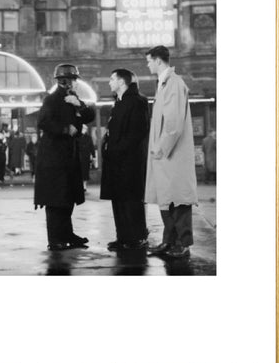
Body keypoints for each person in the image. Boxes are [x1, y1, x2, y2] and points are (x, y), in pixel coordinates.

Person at [34, 63, 95, 251]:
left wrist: (80, 105)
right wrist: (65, 129)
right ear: (65, 81)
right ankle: (56, 239)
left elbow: (89, 116)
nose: (76, 83)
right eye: (74, 80)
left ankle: (67, 234)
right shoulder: (51, 99)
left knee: (67, 199)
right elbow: (43, 121)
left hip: (67, 158)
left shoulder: (72, 98)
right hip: (53, 159)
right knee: (55, 201)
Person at [145, 46, 198, 259]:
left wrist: (161, 147)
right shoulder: (164, 83)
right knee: (167, 198)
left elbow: (173, 123)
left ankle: (182, 244)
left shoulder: (173, 84)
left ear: (158, 61)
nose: (147, 65)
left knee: (179, 199)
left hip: (171, 154)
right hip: (165, 156)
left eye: (149, 61)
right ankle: (169, 241)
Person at [100, 69, 150, 250]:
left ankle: (136, 237)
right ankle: (122, 237)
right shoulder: (119, 102)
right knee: (118, 200)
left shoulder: (138, 101)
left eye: (112, 79)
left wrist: (117, 149)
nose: (109, 82)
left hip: (130, 162)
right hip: (116, 160)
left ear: (122, 82)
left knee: (131, 201)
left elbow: (137, 132)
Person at [78, 125, 95, 192]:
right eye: (83, 128)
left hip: (86, 157)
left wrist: (93, 155)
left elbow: (91, 146)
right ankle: (80, 186)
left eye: (85, 129)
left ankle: (84, 186)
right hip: (79, 157)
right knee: (80, 172)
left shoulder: (88, 137)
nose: (84, 130)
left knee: (85, 172)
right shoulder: (78, 137)